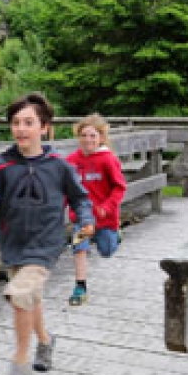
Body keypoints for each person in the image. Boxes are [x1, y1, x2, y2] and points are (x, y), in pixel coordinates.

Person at [0, 92, 94, 375]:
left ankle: (21, 358)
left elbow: (80, 198)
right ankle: (46, 342)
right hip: (13, 242)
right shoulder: (0, 165)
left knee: (22, 294)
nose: (21, 129)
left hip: (47, 241)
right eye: (16, 123)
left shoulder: (59, 165)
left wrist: (86, 220)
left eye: (28, 122)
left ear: (44, 128)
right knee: (30, 298)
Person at [65, 114, 127, 306]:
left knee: (106, 250)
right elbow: (66, 188)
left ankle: (115, 235)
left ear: (100, 137)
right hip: (82, 218)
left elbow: (119, 187)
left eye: (92, 135)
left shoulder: (107, 159)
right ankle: (80, 286)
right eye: (84, 135)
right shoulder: (72, 161)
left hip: (105, 217)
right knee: (79, 248)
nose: (88, 140)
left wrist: (106, 208)